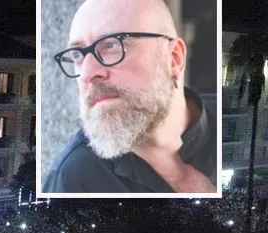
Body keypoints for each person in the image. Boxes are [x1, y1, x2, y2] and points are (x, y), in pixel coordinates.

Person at [43, 0, 216, 193]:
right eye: (77, 55)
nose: (87, 73)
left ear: (174, 58)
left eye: (110, 45)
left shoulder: (224, 127)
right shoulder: (74, 178)